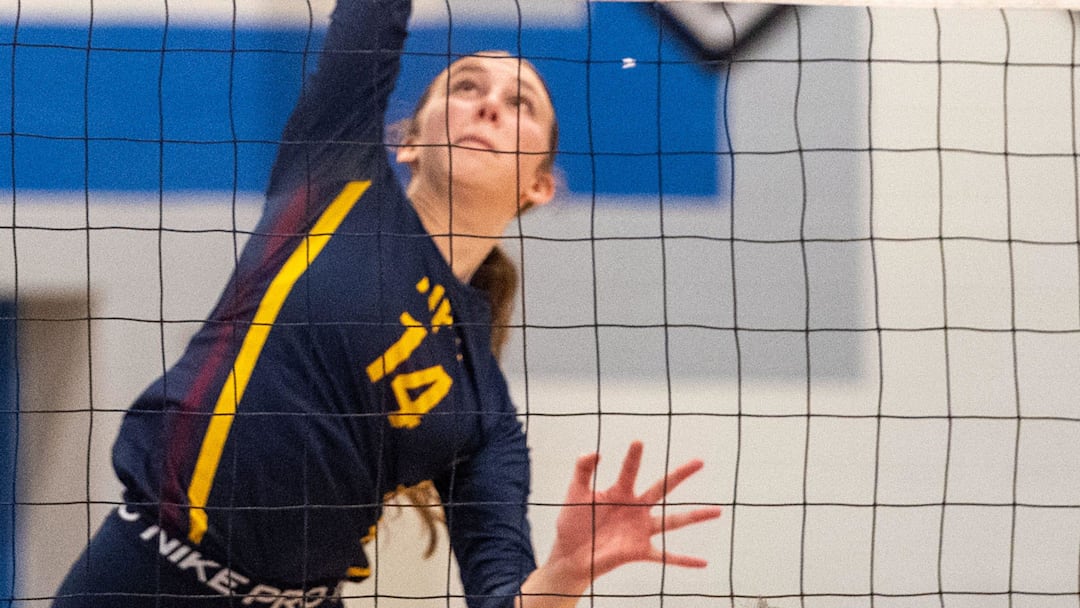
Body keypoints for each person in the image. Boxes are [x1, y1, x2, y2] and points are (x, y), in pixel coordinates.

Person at [51, 1, 721, 607]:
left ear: (540, 186)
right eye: (465, 87)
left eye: (520, 104)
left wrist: (566, 574)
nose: (489, 105)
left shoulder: (482, 406)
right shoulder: (337, 174)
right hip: (143, 578)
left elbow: (504, 598)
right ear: (406, 139)